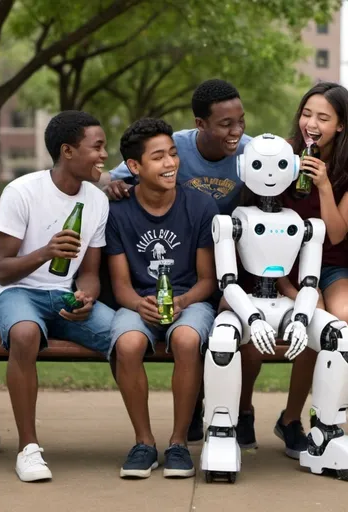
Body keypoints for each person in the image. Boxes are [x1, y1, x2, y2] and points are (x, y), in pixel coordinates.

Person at [235, 82, 348, 460]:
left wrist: (325, 184)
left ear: (341, 125)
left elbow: (339, 232)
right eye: (307, 114)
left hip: (332, 262)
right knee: (298, 315)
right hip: (281, 264)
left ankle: (293, 418)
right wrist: (286, 285)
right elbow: (262, 230)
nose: (311, 123)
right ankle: (243, 410)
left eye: (323, 118)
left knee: (341, 319)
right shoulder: (282, 153)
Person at [0, 111, 115, 482]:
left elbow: (88, 273)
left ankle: (145, 443)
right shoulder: (22, 191)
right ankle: (28, 449)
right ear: (68, 150)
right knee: (25, 333)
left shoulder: (96, 201)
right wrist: (45, 252)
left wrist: (87, 297)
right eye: (97, 146)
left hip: (61, 297)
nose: (104, 155)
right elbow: (3, 269)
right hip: (11, 293)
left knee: (128, 337)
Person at [105, 118, 218, 479]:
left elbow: (207, 281)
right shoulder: (118, 213)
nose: (170, 163)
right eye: (158, 157)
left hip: (189, 301)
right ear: (135, 167)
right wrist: (140, 305)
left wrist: (182, 303)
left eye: (173, 154)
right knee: (128, 343)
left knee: (186, 339)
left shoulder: (200, 207)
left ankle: (178, 443)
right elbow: (121, 286)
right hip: (138, 302)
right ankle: (143, 443)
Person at [98, 78, 250, 216]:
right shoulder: (171, 148)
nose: (237, 131)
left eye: (241, 121)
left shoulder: (254, 151)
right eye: (226, 124)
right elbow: (109, 179)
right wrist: (114, 186)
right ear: (200, 124)